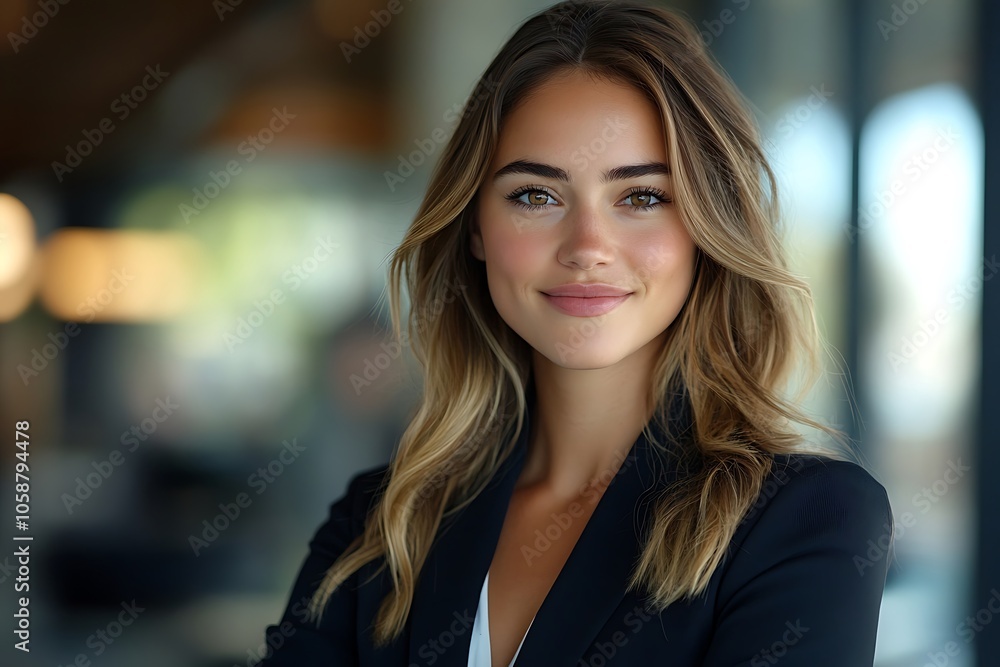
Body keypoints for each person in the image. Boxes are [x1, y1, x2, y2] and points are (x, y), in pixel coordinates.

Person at [258, 1, 894, 665]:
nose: (588, 246)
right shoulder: (379, 523)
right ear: (475, 227)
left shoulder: (805, 522)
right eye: (536, 195)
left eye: (641, 197)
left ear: (708, 226)